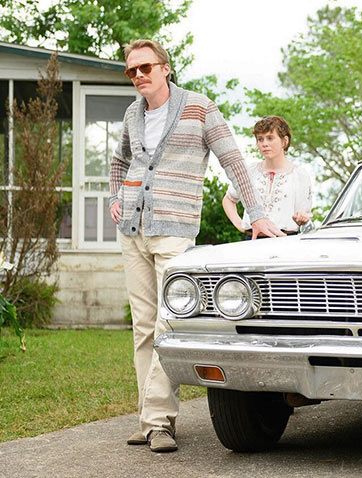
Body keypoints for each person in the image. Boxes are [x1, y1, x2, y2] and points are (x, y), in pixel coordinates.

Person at [109, 39, 283, 453]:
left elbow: (234, 160)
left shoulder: (200, 107)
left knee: (170, 324)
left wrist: (256, 212)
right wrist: (116, 197)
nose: (139, 76)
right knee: (143, 328)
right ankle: (154, 420)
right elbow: (120, 161)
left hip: (174, 229)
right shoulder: (132, 113)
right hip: (132, 228)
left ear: (166, 68)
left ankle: (156, 422)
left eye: (146, 68)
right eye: (132, 71)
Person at [222, 116, 312, 238]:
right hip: (252, 240)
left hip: (286, 241)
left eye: (270, 138)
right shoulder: (250, 171)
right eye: (260, 139)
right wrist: (240, 225)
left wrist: (302, 217)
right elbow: (228, 199)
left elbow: (303, 213)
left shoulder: (299, 174)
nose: (264, 144)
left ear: (284, 141)